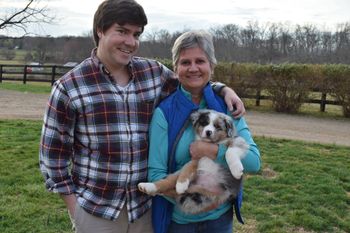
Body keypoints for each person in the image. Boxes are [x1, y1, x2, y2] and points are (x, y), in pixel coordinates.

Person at [39, 1, 245, 233]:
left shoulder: (152, 73)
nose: (131, 42)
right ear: (100, 30)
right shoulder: (69, 87)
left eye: (136, 34)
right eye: (122, 31)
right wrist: (75, 208)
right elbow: (52, 159)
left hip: (143, 209)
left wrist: (222, 89)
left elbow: (192, 79)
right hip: (97, 211)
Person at [147, 30, 261, 233]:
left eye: (200, 61)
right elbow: (156, 174)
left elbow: (253, 162)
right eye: (185, 62)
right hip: (180, 222)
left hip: (220, 220)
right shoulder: (164, 113)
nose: (193, 68)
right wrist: (200, 201)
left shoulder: (227, 107)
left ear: (211, 65)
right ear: (175, 68)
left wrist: (212, 152)